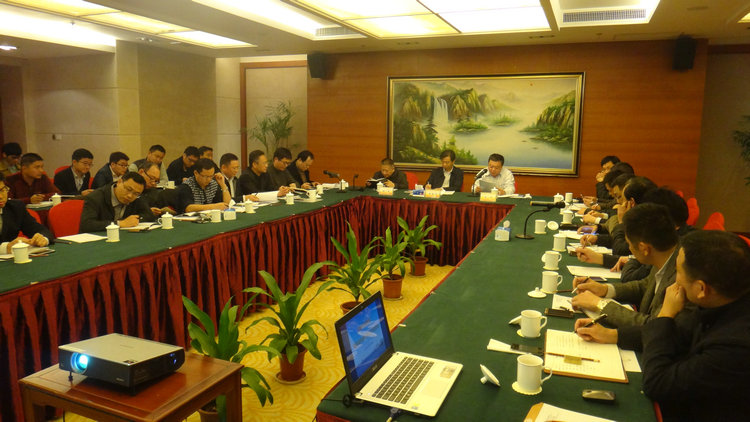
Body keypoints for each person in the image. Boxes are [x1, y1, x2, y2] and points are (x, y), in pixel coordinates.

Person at [641, 230, 750, 421]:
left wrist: (665, 314)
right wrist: (613, 334)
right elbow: (679, 332)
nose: (675, 280)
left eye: (678, 271)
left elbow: (657, 383)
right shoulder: (723, 300)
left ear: (701, 289)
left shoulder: (735, 345)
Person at [572, 203, 681, 350]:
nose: (629, 249)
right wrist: (605, 289)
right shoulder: (665, 254)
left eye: (629, 244)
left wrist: (600, 304)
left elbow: (655, 327)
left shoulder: (681, 276)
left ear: (644, 248)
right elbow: (645, 285)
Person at [79, 171, 154, 232]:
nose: (130, 196)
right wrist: (119, 223)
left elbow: (149, 216)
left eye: (136, 193)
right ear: (119, 182)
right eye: (128, 189)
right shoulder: (95, 197)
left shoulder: (137, 197)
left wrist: (135, 220)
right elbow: (87, 225)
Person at [0, 172, 52, 253]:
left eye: (2, 190)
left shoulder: (15, 208)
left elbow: (42, 230)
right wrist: (5, 248)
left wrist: (42, 239)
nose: (1, 196)